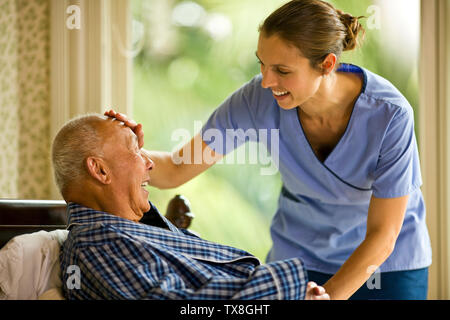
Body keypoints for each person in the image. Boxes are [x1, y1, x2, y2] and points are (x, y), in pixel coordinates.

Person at [106, 0, 432, 300]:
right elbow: (178, 168)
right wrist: (128, 152)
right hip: (299, 263)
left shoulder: (389, 115)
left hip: (386, 268)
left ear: (327, 64)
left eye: (282, 71)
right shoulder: (257, 101)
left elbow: (383, 234)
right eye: (263, 64)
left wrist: (329, 296)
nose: (266, 81)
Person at [52, 114, 329, 300]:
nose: (149, 162)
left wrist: (129, 153)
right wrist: (286, 293)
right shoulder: (95, 247)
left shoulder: (128, 230)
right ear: (100, 170)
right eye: (136, 152)